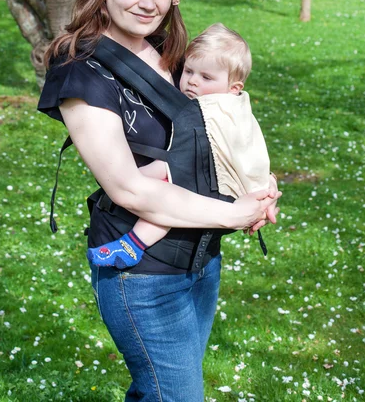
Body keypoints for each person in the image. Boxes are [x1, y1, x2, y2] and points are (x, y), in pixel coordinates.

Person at [38, 0, 281, 402]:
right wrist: (234, 214)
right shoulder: (81, 71)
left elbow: (214, 135)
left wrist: (257, 185)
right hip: (143, 276)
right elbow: (129, 188)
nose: (149, 3)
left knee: (157, 392)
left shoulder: (174, 57)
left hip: (201, 260)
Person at [87, 22, 275, 269]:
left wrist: (131, 181)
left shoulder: (218, 113)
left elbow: (184, 159)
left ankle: (133, 243)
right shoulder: (229, 105)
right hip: (228, 192)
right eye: (188, 71)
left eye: (206, 77)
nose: (192, 82)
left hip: (219, 188)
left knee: (165, 190)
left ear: (234, 88)